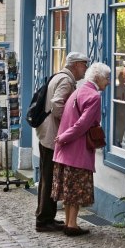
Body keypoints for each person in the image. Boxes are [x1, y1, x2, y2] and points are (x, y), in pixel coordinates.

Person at [52, 62, 111, 237]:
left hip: (66, 150)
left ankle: (71, 223)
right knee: (76, 189)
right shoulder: (94, 96)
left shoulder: (78, 91)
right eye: (106, 78)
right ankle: (71, 224)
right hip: (77, 149)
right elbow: (82, 125)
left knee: (69, 190)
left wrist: (63, 138)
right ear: (98, 77)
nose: (108, 82)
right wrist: (64, 137)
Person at [34, 51, 89, 232]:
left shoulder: (61, 76)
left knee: (47, 176)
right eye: (83, 65)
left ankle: (45, 216)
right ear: (75, 65)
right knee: (49, 176)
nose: (85, 69)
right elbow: (57, 104)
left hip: (47, 132)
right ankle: (44, 220)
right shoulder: (66, 80)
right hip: (52, 134)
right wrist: (68, 124)